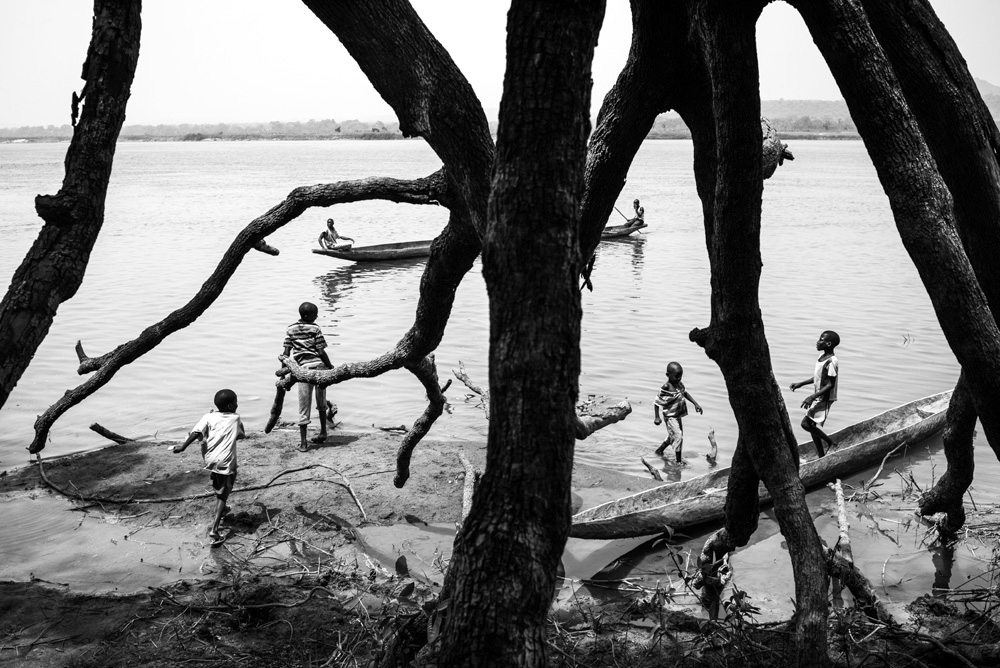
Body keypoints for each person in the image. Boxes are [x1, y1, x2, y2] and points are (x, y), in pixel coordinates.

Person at [171, 388, 246, 546]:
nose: (238, 404)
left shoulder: (208, 416)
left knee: (218, 480)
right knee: (223, 495)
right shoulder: (236, 418)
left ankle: (223, 508)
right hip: (226, 461)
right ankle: (215, 530)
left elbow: (196, 431)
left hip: (210, 459)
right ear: (232, 406)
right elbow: (241, 435)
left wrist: (183, 447)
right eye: (236, 402)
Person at [283, 301, 333, 452]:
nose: (317, 316)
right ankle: (323, 432)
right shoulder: (315, 328)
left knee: (303, 406)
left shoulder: (290, 329)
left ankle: (304, 443)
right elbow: (321, 351)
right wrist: (330, 366)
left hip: (303, 371)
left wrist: (283, 374)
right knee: (321, 402)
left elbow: (285, 354)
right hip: (319, 369)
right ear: (307, 316)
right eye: (315, 314)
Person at [789, 330, 840, 457]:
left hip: (825, 397)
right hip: (819, 396)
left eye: (821, 340)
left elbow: (830, 384)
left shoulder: (832, 362)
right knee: (811, 425)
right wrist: (801, 383)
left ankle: (830, 442)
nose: (818, 342)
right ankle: (821, 455)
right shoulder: (821, 358)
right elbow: (818, 377)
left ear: (828, 344)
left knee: (805, 424)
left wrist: (812, 397)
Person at [653, 361, 703, 462]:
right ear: (668, 375)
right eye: (676, 376)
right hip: (670, 417)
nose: (679, 379)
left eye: (681, 376)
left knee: (675, 435)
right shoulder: (666, 387)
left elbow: (685, 394)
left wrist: (696, 404)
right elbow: (656, 402)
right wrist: (657, 417)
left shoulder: (679, 384)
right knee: (678, 436)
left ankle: (659, 450)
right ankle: (678, 462)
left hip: (677, 416)